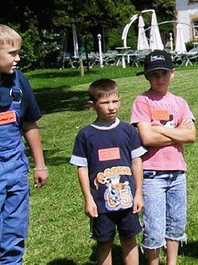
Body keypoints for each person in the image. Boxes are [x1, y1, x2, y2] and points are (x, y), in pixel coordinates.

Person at [0, 23, 49, 264]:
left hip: (16, 168)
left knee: (14, 238)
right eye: (12, 53)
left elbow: (29, 124)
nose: (18, 58)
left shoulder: (19, 81)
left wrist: (40, 164)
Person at [70, 79, 146, 265]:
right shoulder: (86, 135)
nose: (111, 107)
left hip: (128, 200)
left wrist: (138, 194)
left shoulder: (128, 131)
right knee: (104, 243)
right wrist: (88, 199)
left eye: (115, 101)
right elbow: (82, 168)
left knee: (130, 239)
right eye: (105, 103)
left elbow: (137, 162)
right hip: (101, 203)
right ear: (92, 105)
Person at [131, 50, 196, 265]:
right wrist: (177, 134)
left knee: (176, 223)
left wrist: (160, 130)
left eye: (164, 73)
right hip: (152, 174)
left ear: (173, 73)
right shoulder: (143, 101)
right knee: (154, 225)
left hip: (177, 173)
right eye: (154, 74)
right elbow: (146, 137)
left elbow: (191, 135)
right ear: (147, 77)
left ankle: (172, 262)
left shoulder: (180, 103)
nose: (160, 79)